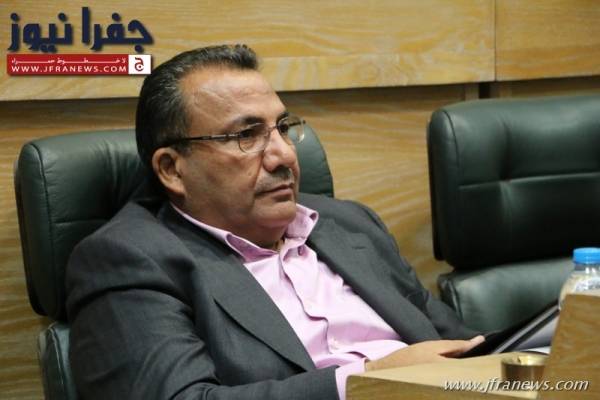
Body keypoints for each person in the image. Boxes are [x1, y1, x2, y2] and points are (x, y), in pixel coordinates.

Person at [66, 44, 484, 400]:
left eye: (283, 127)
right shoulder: (127, 260)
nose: (284, 154)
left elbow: (466, 349)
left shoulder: (352, 223)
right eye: (246, 136)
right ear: (172, 169)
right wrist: (368, 381)